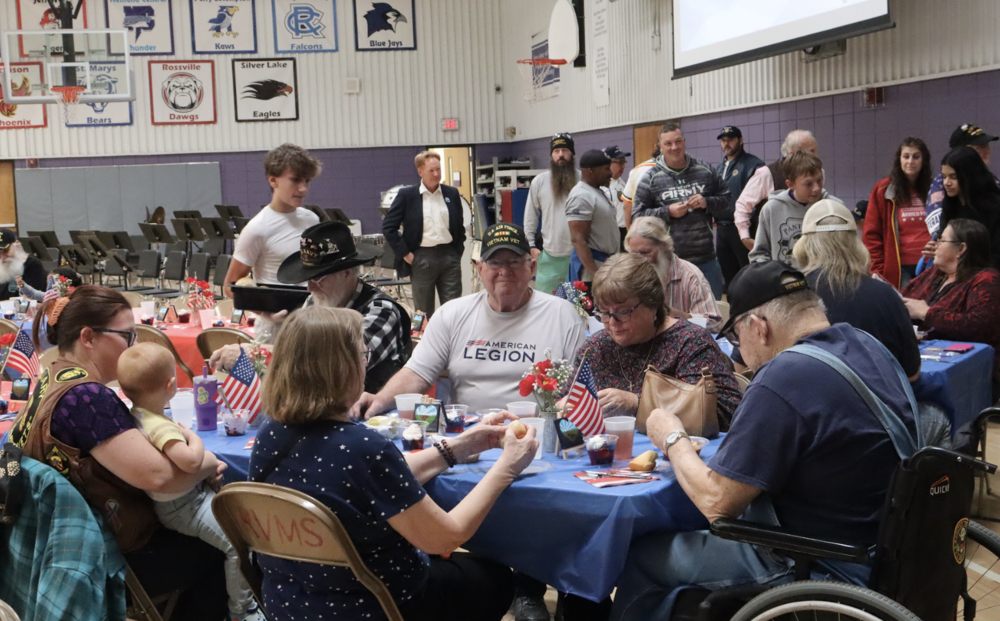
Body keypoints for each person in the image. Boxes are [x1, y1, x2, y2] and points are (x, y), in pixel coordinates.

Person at [611, 261, 918, 620]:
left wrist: (671, 436)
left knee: (644, 557)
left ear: (759, 327)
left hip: (816, 562)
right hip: (887, 547)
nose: (739, 353)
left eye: (736, 339)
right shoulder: (867, 345)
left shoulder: (786, 375)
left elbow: (716, 503)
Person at [250, 305, 538, 621]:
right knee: (493, 576)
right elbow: (445, 536)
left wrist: (458, 446)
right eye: (363, 356)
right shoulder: (363, 448)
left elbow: (367, 483)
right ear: (339, 368)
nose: (365, 365)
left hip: (290, 603)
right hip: (379, 606)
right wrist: (507, 466)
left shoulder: (271, 433)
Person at [8, 285, 228, 621]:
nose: (135, 346)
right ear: (88, 337)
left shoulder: (51, 377)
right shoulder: (87, 399)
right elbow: (161, 478)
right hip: (112, 557)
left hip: (47, 547)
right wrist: (206, 464)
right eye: (128, 336)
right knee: (228, 543)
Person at [354, 223, 586, 417]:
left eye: (514, 262)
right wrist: (380, 399)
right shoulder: (452, 314)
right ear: (480, 268)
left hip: (536, 435)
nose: (504, 271)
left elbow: (579, 389)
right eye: (495, 262)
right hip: (466, 434)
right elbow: (417, 374)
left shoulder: (563, 315)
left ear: (531, 267)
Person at [118, 343, 257, 621]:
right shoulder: (159, 426)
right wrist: (194, 439)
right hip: (184, 507)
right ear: (171, 385)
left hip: (184, 500)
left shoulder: (138, 416)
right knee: (239, 544)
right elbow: (191, 462)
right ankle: (242, 611)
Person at [210, 222, 412, 393]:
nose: (309, 287)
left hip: (372, 419)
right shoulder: (314, 301)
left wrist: (259, 353)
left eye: (318, 278)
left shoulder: (382, 310)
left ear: (347, 273)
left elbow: (342, 362)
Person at [580, 253, 740, 428]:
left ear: (653, 304)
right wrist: (566, 407)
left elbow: (729, 412)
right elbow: (566, 400)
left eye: (623, 312)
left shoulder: (690, 343)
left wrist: (637, 402)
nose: (611, 322)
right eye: (604, 312)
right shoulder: (596, 348)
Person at [793, 200, 921, 379]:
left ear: (805, 245)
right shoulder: (886, 296)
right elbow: (912, 374)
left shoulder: (791, 296)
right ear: (855, 244)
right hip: (878, 404)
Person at [903, 219, 1000, 400]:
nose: (934, 245)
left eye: (941, 240)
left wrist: (927, 313)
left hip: (966, 374)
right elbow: (902, 299)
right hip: (921, 364)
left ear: (961, 249)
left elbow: (979, 326)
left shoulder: (987, 280)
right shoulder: (933, 274)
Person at [632, 123, 730, 298]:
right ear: (659, 147)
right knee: (676, 317)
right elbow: (637, 216)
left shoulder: (705, 170)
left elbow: (727, 199)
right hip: (669, 262)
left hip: (706, 259)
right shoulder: (650, 178)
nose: (674, 147)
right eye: (668, 144)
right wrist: (667, 211)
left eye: (678, 141)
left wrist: (706, 202)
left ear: (684, 142)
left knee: (711, 316)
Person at [224, 144, 322, 294]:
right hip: (276, 315)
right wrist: (265, 312)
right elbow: (230, 287)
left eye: (307, 181)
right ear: (273, 180)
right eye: (295, 180)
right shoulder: (257, 228)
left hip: (309, 313)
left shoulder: (312, 219)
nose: (303, 188)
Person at [382, 150, 467, 316]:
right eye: (431, 170)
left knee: (454, 308)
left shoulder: (451, 193)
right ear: (420, 171)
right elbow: (388, 227)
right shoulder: (407, 195)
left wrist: (457, 251)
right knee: (423, 310)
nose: (436, 174)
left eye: (439, 169)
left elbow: (459, 226)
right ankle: (425, 340)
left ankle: (452, 340)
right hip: (421, 257)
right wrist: (406, 254)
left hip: (449, 256)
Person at [625, 217, 722, 332]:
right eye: (634, 254)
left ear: (664, 246)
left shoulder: (690, 276)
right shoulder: (627, 274)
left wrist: (679, 317)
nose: (640, 260)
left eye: (645, 252)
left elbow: (715, 325)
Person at [749, 151, 843, 266]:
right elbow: (759, 254)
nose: (816, 188)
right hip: (785, 280)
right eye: (808, 184)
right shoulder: (771, 209)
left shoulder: (835, 207)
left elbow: (846, 251)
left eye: (819, 180)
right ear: (790, 184)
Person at [864, 138, 933, 289]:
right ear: (899, 159)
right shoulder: (883, 189)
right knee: (904, 308)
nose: (910, 161)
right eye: (906, 156)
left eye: (916, 156)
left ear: (923, 160)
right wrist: (878, 269)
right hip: (898, 267)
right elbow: (871, 234)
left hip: (930, 264)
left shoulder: (934, 188)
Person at [735, 129, 819, 248]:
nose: (816, 156)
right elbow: (742, 205)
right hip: (774, 246)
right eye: (812, 151)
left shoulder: (818, 174)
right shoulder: (767, 173)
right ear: (794, 153)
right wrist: (745, 237)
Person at [524, 133, 580, 295]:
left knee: (578, 307)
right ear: (551, 155)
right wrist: (532, 246)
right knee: (546, 307)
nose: (560, 155)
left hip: (578, 256)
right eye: (556, 151)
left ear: (572, 153)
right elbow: (530, 217)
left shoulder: (583, 180)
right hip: (548, 258)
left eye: (564, 150)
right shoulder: (539, 181)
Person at [927, 146, 1000, 270]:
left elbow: (996, 256)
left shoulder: (994, 207)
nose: (946, 183)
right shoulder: (950, 204)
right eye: (944, 177)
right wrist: (938, 250)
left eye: (953, 177)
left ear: (970, 176)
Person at [925, 123, 998, 236]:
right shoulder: (940, 186)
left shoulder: (993, 186)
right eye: (979, 148)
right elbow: (939, 231)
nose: (988, 151)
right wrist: (940, 245)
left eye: (986, 146)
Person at [715, 126, 765, 289]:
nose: (726, 144)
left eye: (730, 139)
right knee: (729, 278)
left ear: (741, 140)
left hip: (742, 229)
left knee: (747, 275)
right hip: (722, 230)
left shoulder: (753, 165)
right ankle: (733, 311)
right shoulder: (719, 167)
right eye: (723, 140)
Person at [567, 149, 620, 282]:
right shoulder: (581, 196)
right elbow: (578, 240)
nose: (610, 173)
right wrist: (595, 275)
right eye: (606, 168)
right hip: (591, 272)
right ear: (591, 170)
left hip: (605, 264)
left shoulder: (596, 191)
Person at [0, 229, 47, 301]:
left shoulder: (33, 265)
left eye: (6, 251)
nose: (2, 257)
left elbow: (33, 299)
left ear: (17, 245)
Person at [620, 145, 660, 231]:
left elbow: (627, 205)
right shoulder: (678, 169)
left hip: (642, 228)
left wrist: (629, 231)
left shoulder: (637, 170)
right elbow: (628, 205)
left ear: (655, 148)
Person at [603, 145, 631, 250]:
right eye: (620, 162)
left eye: (624, 162)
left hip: (625, 231)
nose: (623, 166)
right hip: (613, 233)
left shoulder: (620, 181)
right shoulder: (604, 186)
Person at [17, 266, 82, 302]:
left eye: (51, 284)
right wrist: (23, 286)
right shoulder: (51, 296)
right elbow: (33, 293)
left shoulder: (75, 302)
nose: (49, 289)